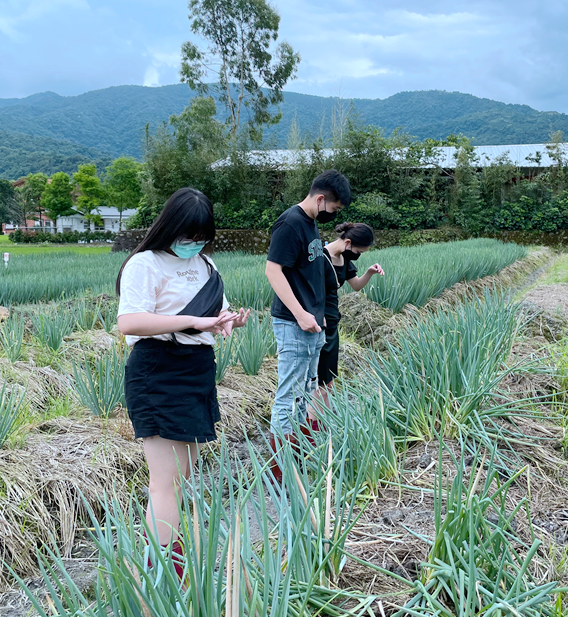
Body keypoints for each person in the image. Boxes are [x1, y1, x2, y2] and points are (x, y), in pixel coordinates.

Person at [116, 188, 249, 578]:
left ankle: (167, 562)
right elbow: (131, 322)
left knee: (183, 475)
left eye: (201, 238)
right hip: (158, 368)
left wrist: (227, 320)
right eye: (188, 237)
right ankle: (163, 571)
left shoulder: (206, 264)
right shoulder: (145, 263)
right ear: (170, 227)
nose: (194, 244)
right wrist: (192, 322)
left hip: (196, 367)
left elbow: (213, 311)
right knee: (165, 481)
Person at [264, 169, 351, 481]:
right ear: (320, 198)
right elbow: (273, 271)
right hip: (293, 324)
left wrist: (318, 312)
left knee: (306, 391)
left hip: (314, 324)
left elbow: (310, 273)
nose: (335, 215)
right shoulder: (290, 223)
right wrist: (301, 313)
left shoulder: (311, 223)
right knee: (288, 395)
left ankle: (296, 458)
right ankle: (279, 472)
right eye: (335, 209)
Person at [311, 222, 385, 422]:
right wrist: (316, 315)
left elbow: (356, 286)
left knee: (328, 381)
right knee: (319, 382)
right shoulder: (319, 257)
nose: (358, 255)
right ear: (349, 242)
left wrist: (369, 272)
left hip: (333, 322)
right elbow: (306, 289)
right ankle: (312, 428)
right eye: (359, 251)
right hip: (318, 323)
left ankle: (323, 424)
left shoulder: (344, 258)